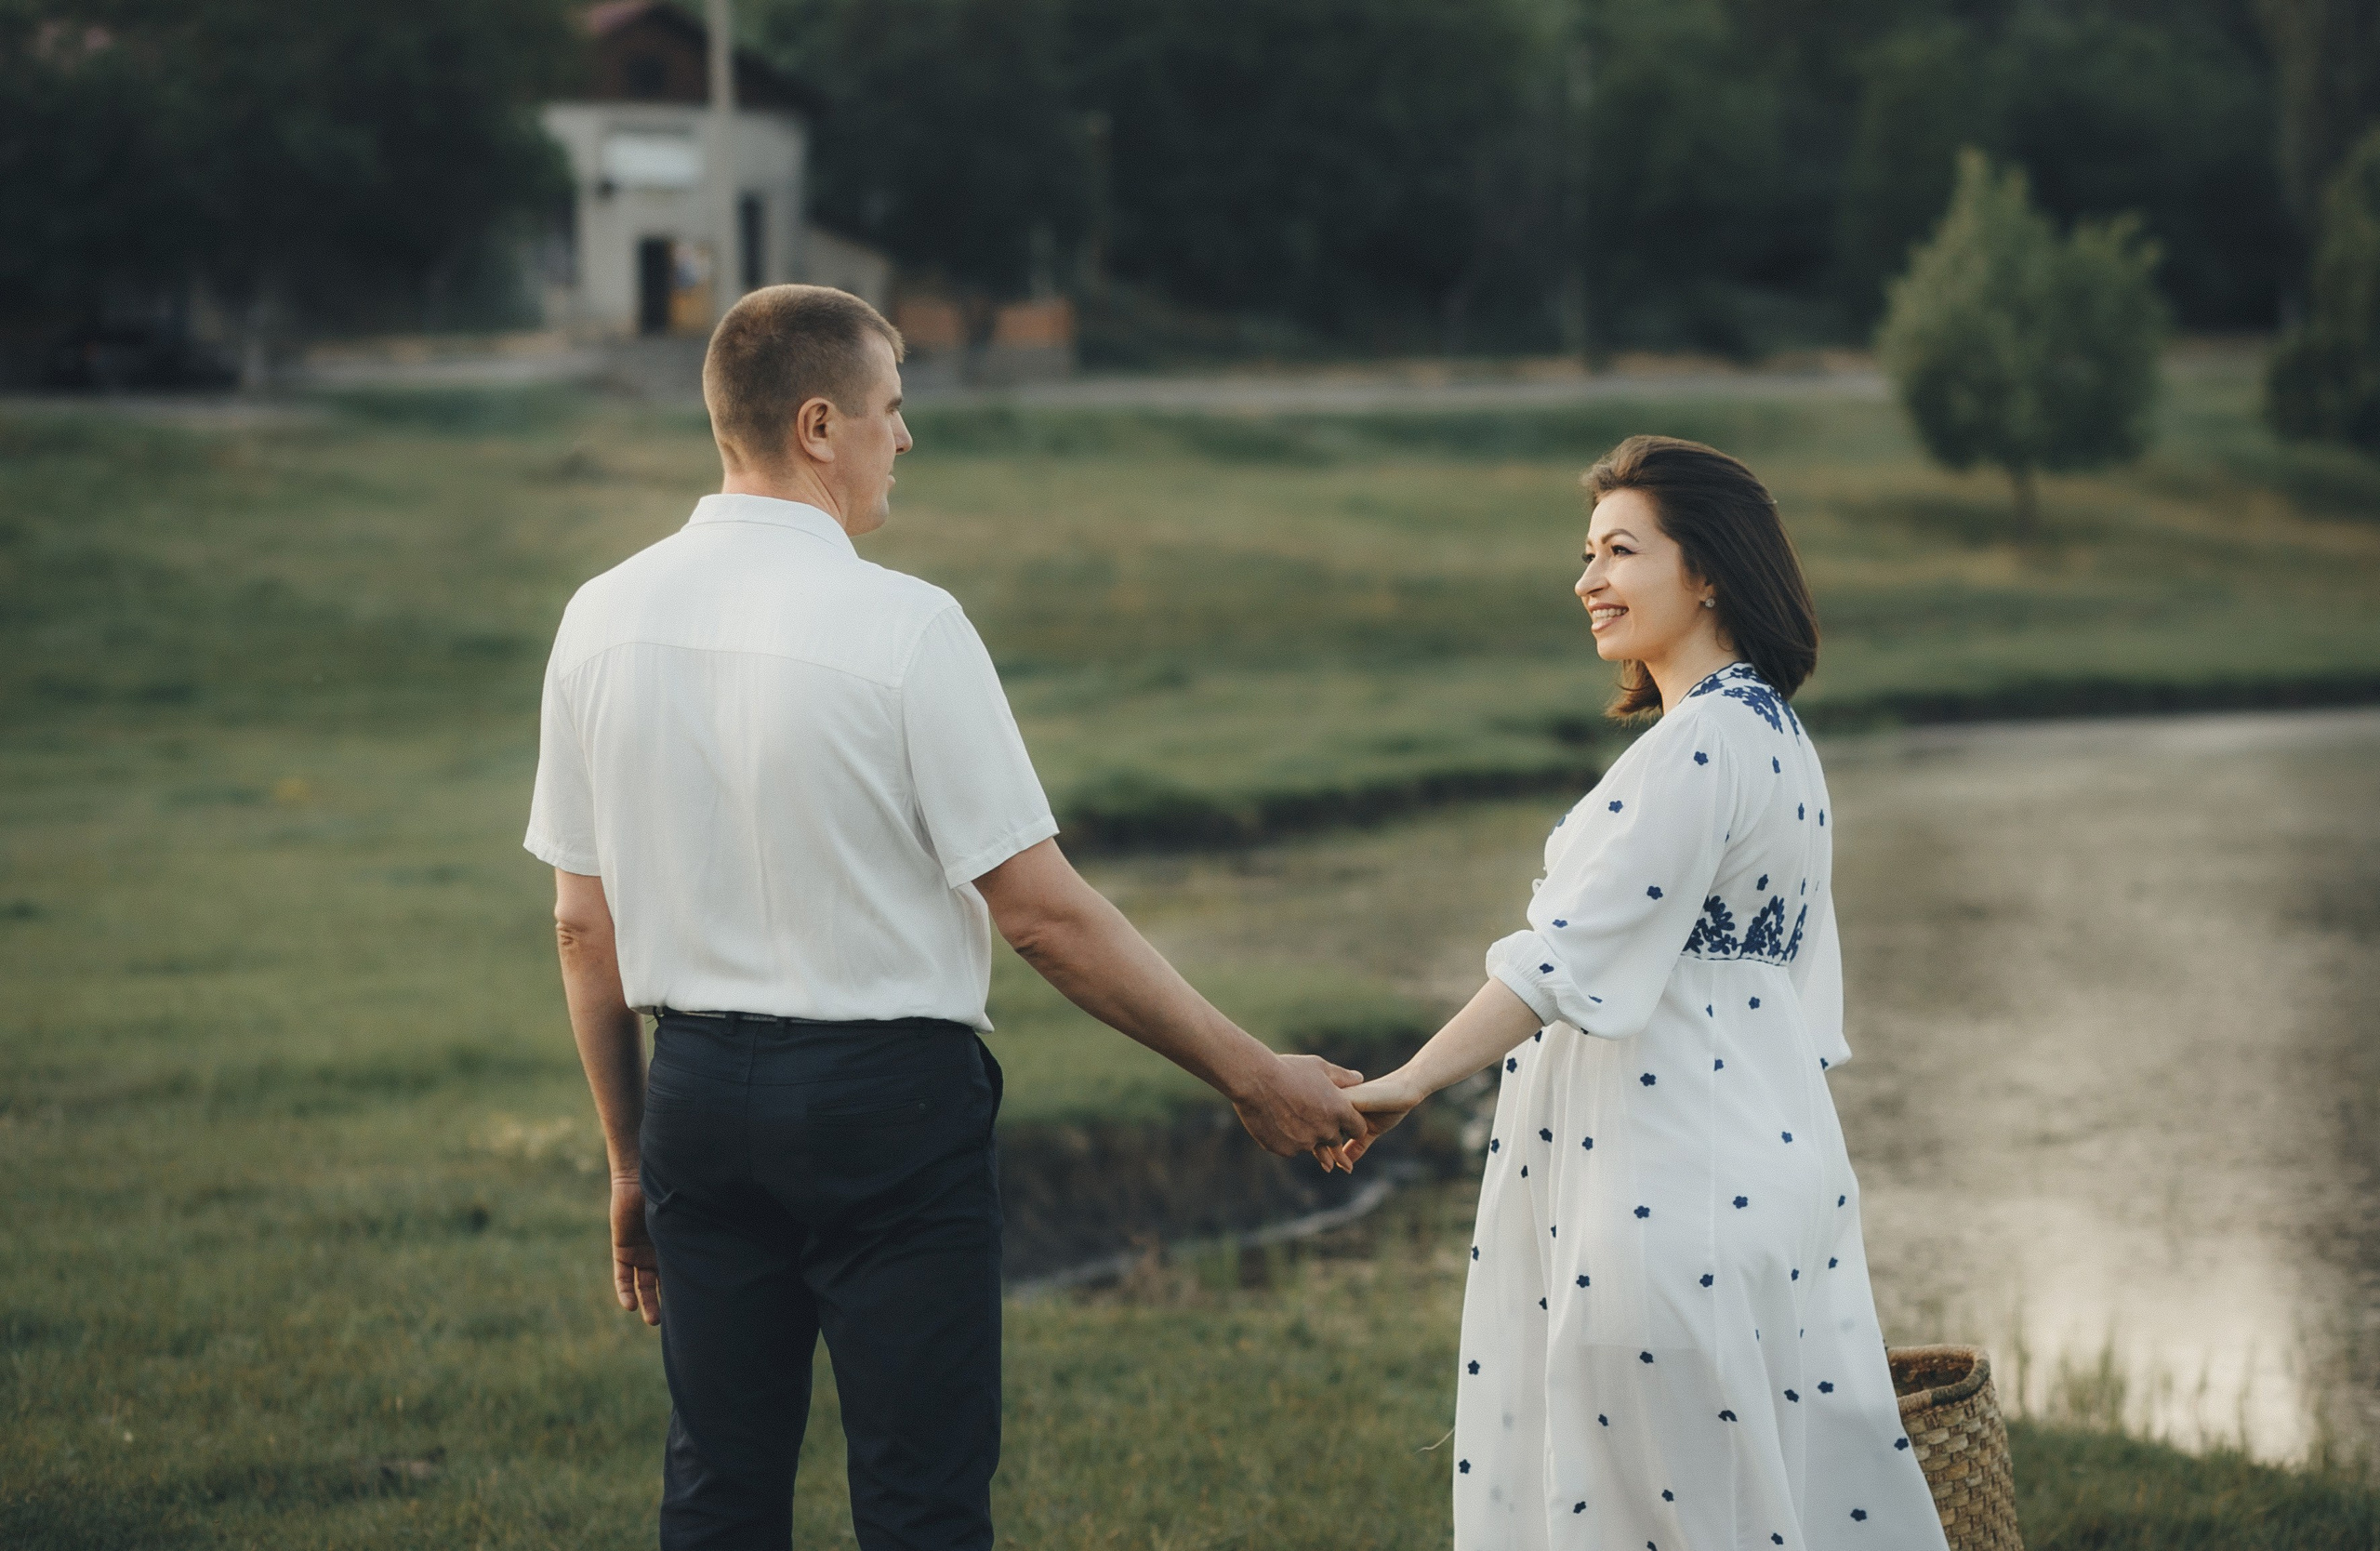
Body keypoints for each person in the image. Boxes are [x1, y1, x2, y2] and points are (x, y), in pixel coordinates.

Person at [523, 284, 1366, 1550]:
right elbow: (1041, 916)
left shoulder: (598, 616)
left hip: (693, 1085)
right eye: (891, 409)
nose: (903, 439)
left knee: (717, 1487)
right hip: (887, 1110)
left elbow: (584, 930)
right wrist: (1251, 1076)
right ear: (819, 426)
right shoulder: (906, 625)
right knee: (920, 1499)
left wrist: (636, 1157)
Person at [1334, 436, 1949, 1551]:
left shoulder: (1702, 745)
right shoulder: (1772, 735)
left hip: (1670, 1193)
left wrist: (1406, 1084)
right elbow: (1794, 995)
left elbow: (1553, 962)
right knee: (1746, 1505)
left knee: (1653, 1515)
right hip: (1760, 1175)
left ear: (1705, 570)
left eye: (1621, 551)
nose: (1587, 582)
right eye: (1586, 554)